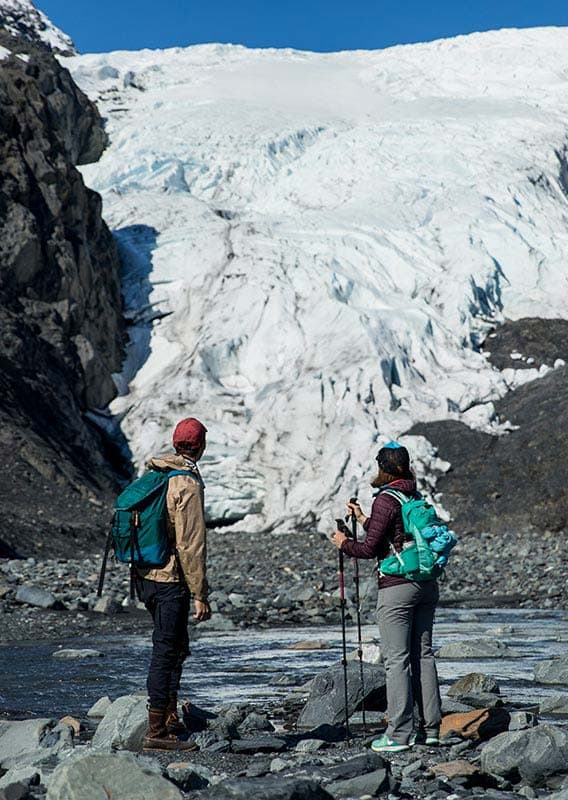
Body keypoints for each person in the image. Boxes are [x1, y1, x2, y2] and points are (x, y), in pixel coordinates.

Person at [332, 441, 442, 753]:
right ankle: (431, 729)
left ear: (383, 468)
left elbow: (369, 549)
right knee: (423, 655)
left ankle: (398, 734)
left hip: (396, 588)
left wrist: (343, 542)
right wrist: (364, 518)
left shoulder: (385, 499)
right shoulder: (412, 495)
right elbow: (392, 535)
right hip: (425, 583)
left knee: (397, 660)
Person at [135, 416, 212, 751]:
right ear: (200, 445)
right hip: (170, 580)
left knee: (174, 646)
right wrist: (200, 594)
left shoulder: (156, 474)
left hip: (145, 577)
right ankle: (157, 731)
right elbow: (190, 545)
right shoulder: (186, 484)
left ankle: (168, 716)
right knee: (167, 651)